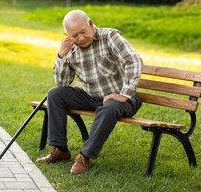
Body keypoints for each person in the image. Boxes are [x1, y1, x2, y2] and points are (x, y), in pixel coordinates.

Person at [36, 10, 143, 175]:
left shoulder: (109, 37)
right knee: (55, 94)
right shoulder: (71, 49)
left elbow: (133, 60)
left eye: (83, 32)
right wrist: (61, 56)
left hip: (122, 99)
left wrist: (123, 94)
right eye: (73, 35)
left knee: (109, 107)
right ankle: (61, 151)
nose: (79, 38)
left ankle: (84, 156)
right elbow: (63, 82)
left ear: (91, 24)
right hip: (91, 96)